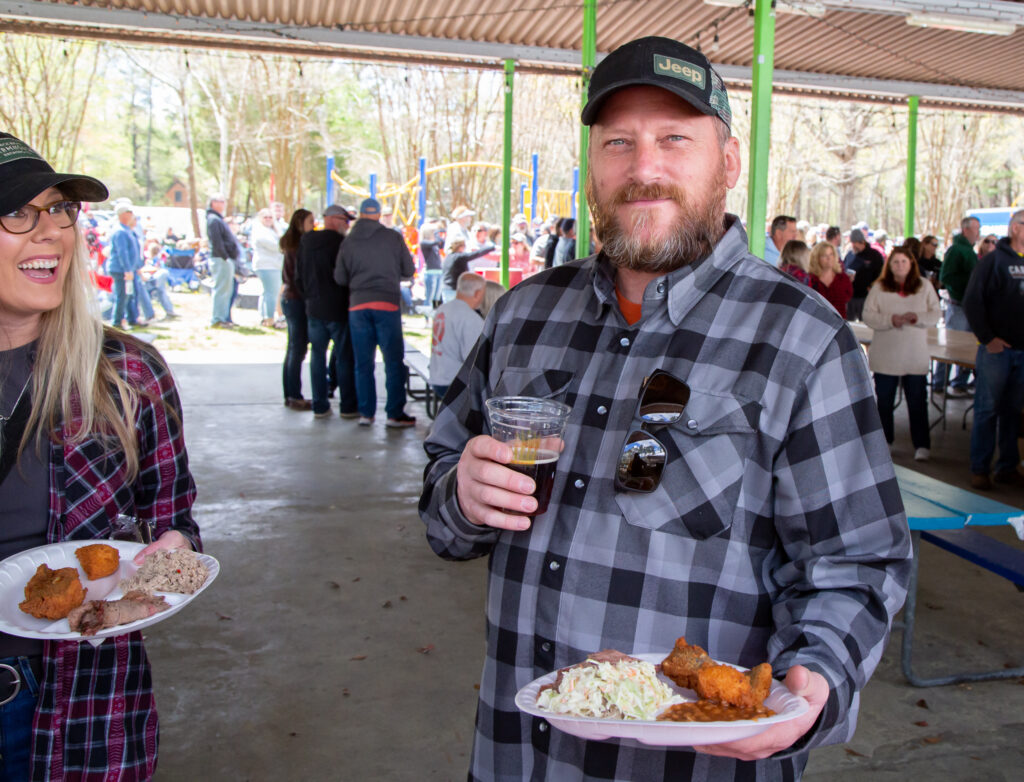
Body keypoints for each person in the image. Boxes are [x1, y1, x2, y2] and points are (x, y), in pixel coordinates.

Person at [419, 36, 910, 782]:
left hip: (696, 763)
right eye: (619, 142)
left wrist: (816, 677)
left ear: (729, 162)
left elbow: (857, 560)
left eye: (675, 139)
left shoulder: (802, 339)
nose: (643, 168)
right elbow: (441, 490)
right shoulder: (523, 315)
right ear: (593, 164)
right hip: (517, 754)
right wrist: (461, 495)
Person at [0, 131, 202, 780]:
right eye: (16, 211)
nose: (50, 231)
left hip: (81, 700)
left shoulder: (129, 373)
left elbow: (174, 522)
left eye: (59, 208)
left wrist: (171, 552)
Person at [334, 198, 417, 428]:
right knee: (393, 361)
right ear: (379, 215)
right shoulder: (392, 237)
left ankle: (366, 413)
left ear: (360, 215)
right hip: (387, 304)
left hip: (358, 306)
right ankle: (394, 414)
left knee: (363, 363)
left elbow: (340, 277)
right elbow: (409, 270)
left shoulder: (349, 241)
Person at [962, 210, 1024, 490]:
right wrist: (988, 338)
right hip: (997, 352)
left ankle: (1007, 466)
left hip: (1022, 351)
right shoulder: (993, 261)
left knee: (1013, 411)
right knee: (987, 409)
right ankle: (980, 469)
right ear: (1015, 228)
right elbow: (972, 301)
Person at [862, 247, 940, 461]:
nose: (900, 266)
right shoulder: (879, 287)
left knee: (917, 402)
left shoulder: (924, 286)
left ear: (911, 263)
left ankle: (922, 445)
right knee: (884, 402)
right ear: (889, 265)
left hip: (914, 355)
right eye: (895, 262)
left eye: (904, 261)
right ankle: (885, 441)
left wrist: (917, 317)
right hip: (886, 356)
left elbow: (935, 313)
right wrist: (890, 320)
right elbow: (868, 315)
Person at [296, 205, 358, 419]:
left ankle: (320, 406)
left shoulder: (306, 242)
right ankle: (348, 407)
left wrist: (309, 297)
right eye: (345, 220)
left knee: (317, 357)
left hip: (314, 307)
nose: (347, 225)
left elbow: (298, 276)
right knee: (344, 357)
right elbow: (347, 276)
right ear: (333, 219)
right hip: (338, 309)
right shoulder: (342, 243)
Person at [938, 216, 981, 398]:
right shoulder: (956, 250)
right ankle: (939, 382)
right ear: (966, 230)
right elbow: (946, 276)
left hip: (971, 306)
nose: (978, 232)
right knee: (950, 345)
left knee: (969, 347)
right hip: (958, 305)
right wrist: (969, 284)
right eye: (976, 228)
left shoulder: (970, 251)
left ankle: (960, 382)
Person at [428, 272, 486, 400]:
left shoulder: (443, 308)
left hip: (438, 377)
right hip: (455, 383)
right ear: (477, 293)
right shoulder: (470, 318)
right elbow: (474, 359)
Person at [280, 208, 315, 410]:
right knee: (297, 348)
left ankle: (291, 394)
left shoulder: (292, 245)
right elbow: (298, 278)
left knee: (294, 348)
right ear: (300, 224)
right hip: (296, 300)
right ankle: (294, 395)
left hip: (291, 299)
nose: (314, 226)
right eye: (310, 222)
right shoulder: (299, 247)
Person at [106, 201, 143, 329]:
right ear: (123, 214)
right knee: (122, 296)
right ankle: (117, 321)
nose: (132, 215)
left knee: (128, 295)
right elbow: (123, 252)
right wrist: (127, 269)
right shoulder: (120, 231)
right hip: (120, 269)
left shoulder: (126, 230)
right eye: (129, 212)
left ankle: (130, 319)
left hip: (126, 269)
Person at [205, 194, 239, 328]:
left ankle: (224, 318)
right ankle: (218, 319)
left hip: (224, 258)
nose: (223, 204)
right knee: (222, 290)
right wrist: (225, 257)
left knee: (227, 290)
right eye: (221, 202)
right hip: (220, 259)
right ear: (213, 203)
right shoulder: (213, 220)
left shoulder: (217, 219)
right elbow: (217, 241)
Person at [251, 207, 284, 328]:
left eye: (270, 217)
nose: (268, 219)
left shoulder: (274, 229)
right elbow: (275, 246)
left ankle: (264, 317)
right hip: (267, 265)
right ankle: (269, 318)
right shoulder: (259, 230)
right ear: (260, 218)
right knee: (272, 293)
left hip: (273, 265)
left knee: (267, 292)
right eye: (265, 217)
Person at [846, 227, 885, 321]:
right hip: (850, 297)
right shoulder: (850, 254)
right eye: (852, 243)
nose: (853, 246)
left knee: (866, 323)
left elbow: (882, 275)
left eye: (855, 243)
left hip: (866, 297)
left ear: (862, 241)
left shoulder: (874, 255)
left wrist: (872, 286)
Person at [440, 237, 494, 302]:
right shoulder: (459, 257)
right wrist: (492, 248)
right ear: (461, 246)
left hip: (446, 290)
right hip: (455, 290)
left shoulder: (448, 257)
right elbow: (477, 253)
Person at [809, 240, 853, 318]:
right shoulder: (812, 279)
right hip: (818, 320)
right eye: (824, 255)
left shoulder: (843, 278)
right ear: (817, 258)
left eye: (831, 254)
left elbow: (848, 297)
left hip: (839, 320)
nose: (829, 258)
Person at [419, 223, 445, 308]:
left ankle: (436, 313)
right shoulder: (424, 243)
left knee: (437, 298)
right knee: (430, 297)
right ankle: (427, 313)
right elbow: (436, 242)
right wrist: (437, 235)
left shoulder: (434, 244)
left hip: (439, 272)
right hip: (431, 272)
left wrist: (442, 235)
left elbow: (442, 244)